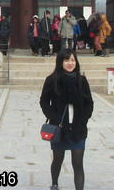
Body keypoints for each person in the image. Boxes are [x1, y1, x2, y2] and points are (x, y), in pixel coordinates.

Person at [40, 49, 94, 190]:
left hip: (78, 127)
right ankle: (55, 183)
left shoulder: (81, 81)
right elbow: (44, 101)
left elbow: (89, 103)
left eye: (72, 60)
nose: (70, 63)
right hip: (59, 127)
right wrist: (54, 117)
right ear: (60, 62)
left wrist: (84, 119)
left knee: (78, 162)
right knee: (58, 159)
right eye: (67, 60)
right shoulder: (52, 80)